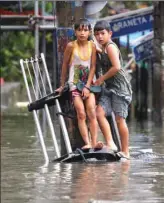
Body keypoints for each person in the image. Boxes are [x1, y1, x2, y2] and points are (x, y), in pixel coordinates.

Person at [56, 18, 101, 149]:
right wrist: (62, 84)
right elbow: (64, 66)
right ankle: (87, 143)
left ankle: (94, 142)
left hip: (89, 84)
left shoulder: (92, 45)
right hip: (74, 83)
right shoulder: (71, 46)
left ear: (89, 32)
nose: (82, 33)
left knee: (91, 112)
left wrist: (87, 86)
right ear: (75, 31)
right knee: (81, 114)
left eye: (85, 30)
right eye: (79, 30)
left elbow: (93, 67)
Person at [94, 20, 132, 159]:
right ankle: (111, 144)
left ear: (109, 33)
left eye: (102, 33)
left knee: (119, 119)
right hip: (109, 88)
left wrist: (101, 79)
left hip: (120, 88)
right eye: (97, 34)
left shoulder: (110, 47)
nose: (100, 37)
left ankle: (126, 151)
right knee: (99, 112)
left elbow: (116, 67)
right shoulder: (103, 48)